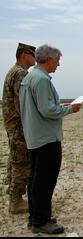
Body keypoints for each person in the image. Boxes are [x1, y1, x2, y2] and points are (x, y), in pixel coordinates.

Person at [19, 44, 81, 234]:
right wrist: (70, 108)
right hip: (46, 138)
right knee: (44, 181)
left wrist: (59, 105)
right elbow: (47, 110)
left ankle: (37, 217)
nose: (58, 64)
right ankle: (41, 221)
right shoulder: (42, 79)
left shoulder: (30, 77)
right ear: (49, 59)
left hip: (36, 136)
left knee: (35, 180)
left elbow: (42, 106)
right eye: (57, 60)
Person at [2, 42, 36, 214]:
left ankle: (14, 194)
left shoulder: (14, 71)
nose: (35, 58)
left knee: (14, 159)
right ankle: (16, 200)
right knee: (21, 162)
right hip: (19, 126)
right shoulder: (20, 73)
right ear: (24, 55)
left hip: (13, 125)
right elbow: (21, 104)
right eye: (32, 55)